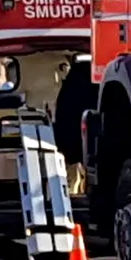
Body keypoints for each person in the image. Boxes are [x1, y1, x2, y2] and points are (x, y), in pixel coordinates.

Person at [53, 57, 98, 196]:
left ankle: (71, 191)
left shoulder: (69, 91)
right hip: (93, 145)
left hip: (71, 144)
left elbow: (62, 118)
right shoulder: (98, 89)